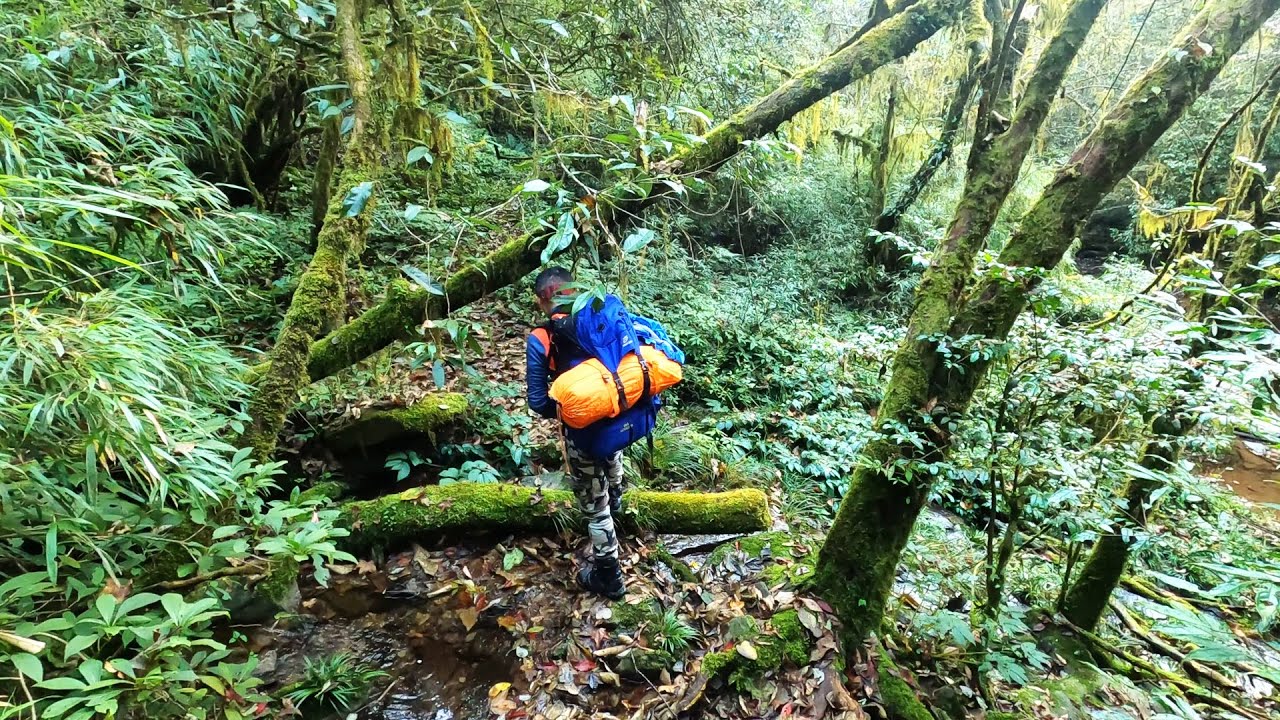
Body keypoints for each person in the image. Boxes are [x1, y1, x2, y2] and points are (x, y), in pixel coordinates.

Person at [526, 266, 627, 599]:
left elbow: (538, 400)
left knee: (593, 506)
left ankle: (609, 577)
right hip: (616, 414)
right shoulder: (598, 315)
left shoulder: (541, 338)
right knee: (611, 455)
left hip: (580, 430)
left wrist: (569, 412)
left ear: (544, 298)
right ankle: (618, 503)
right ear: (573, 289)